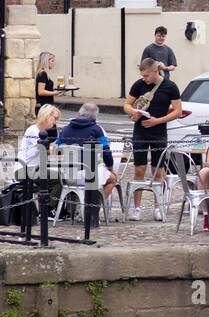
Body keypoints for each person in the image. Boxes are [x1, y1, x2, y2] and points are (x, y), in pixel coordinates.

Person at [124, 58, 182, 221]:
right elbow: (127, 104)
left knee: (158, 170)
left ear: (155, 71)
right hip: (140, 131)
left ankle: (158, 207)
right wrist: (133, 111)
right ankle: (136, 208)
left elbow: (177, 111)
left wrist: (157, 120)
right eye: (142, 75)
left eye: (147, 75)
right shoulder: (138, 85)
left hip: (159, 131)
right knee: (139, 169)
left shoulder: (170, 86)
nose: (144, 78)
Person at [55, 102, 118, 211]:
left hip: (67, 175)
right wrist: (110, 167)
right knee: (112, 179)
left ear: (78, 113)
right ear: (95, 117)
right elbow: (106, 151)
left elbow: (56, 148)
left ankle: (76, 209)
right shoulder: (96, 130)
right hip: (89, 175)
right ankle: (92, 208)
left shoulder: (65, 130)